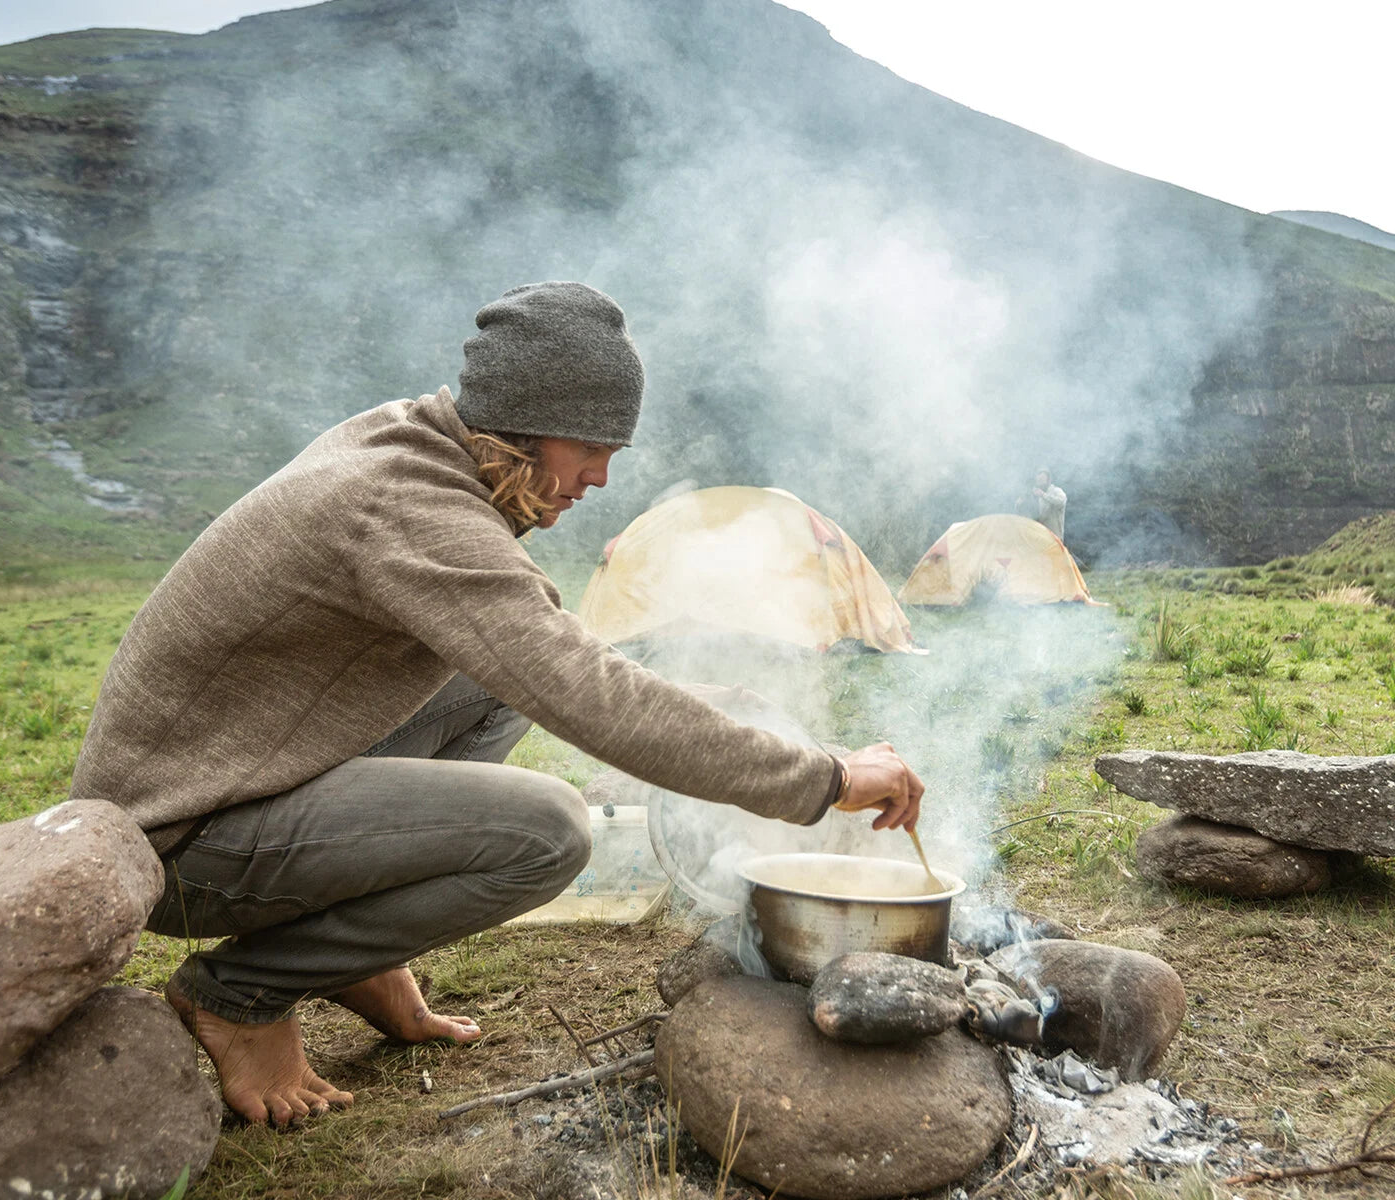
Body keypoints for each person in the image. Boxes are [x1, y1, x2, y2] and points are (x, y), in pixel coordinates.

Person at [70, 281, 923, 1127]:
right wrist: (826, 778)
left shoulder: (414, 442)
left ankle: (352, 955)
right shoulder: (408, 507)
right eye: (589, 445)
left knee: (497, 685)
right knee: (546, 833)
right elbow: (589, 694)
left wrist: (733, 709)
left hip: (238, 780)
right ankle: (241, 993)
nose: (598, 477)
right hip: (183, 844)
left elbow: (550, 657)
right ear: (520, 420)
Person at [1028, 468, 1067, 540]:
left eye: (1042, 479)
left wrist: (1043, 495)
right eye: (1038, 480)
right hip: (1041, 537)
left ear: (1048, 480)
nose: (1040, 482)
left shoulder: (1056, 491)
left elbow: (1061, 501)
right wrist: (1021, 504)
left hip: (1055, 538)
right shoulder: (1038, 498)